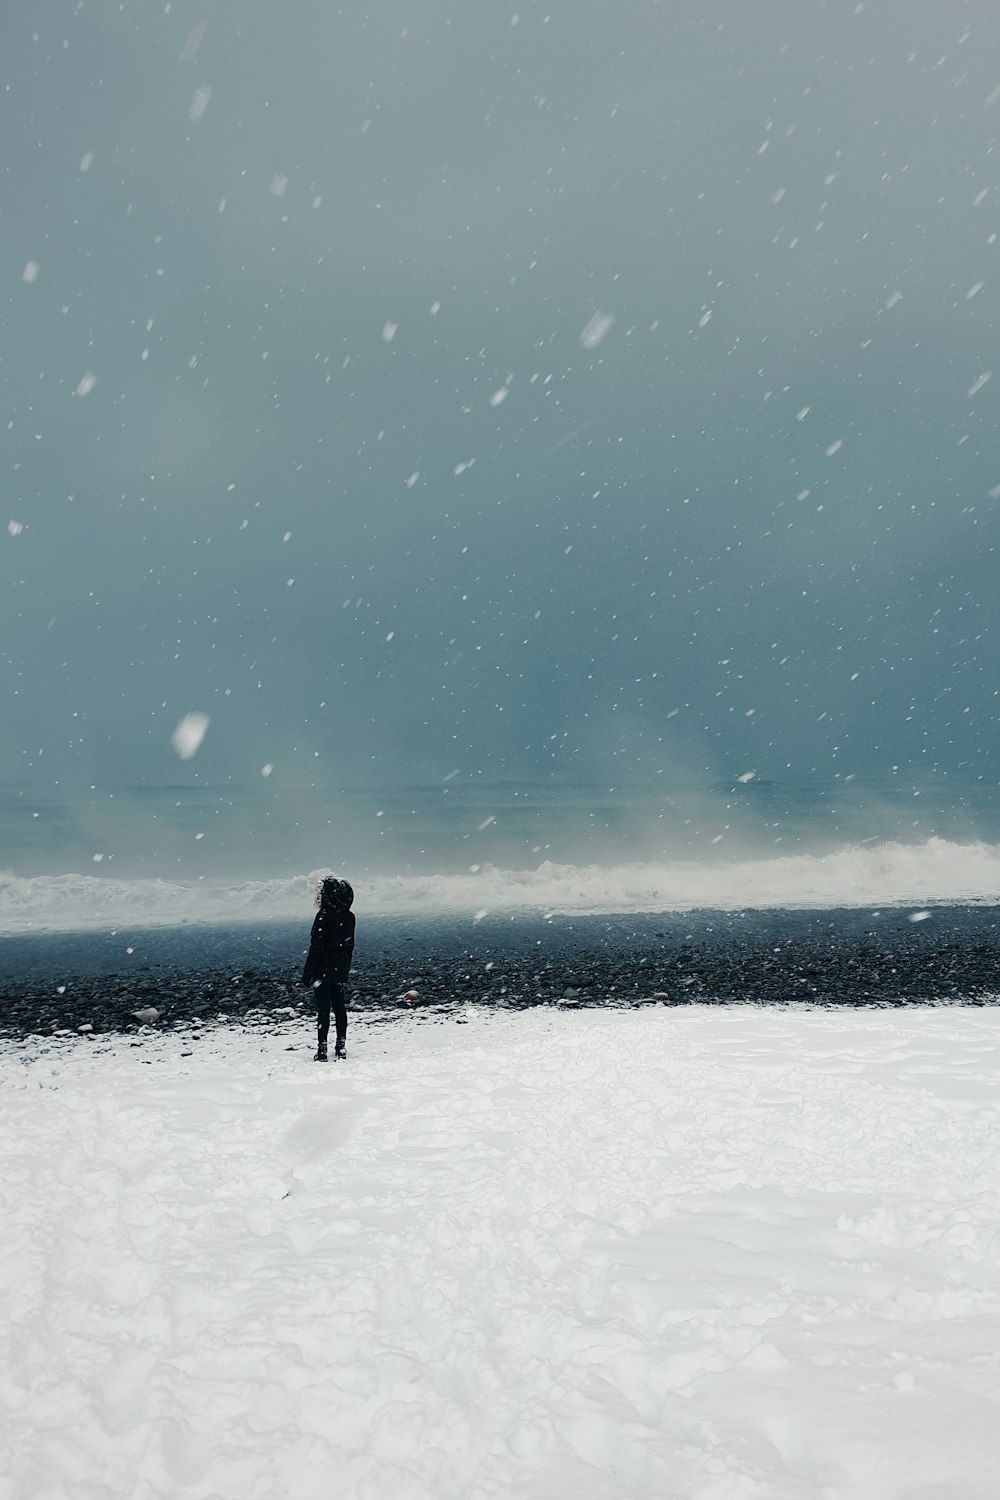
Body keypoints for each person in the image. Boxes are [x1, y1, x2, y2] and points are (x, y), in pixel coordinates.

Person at [303, 876, 355, 1061]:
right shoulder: (349, 917)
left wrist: (308, 973)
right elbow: (350, 946)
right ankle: (341, 1046)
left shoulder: (324, 916)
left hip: (323, 968)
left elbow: (316, 947)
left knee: (323, 1010)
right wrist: (345, 969)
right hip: (339, 966)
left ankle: (322, 1049)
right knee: (339, 1008)